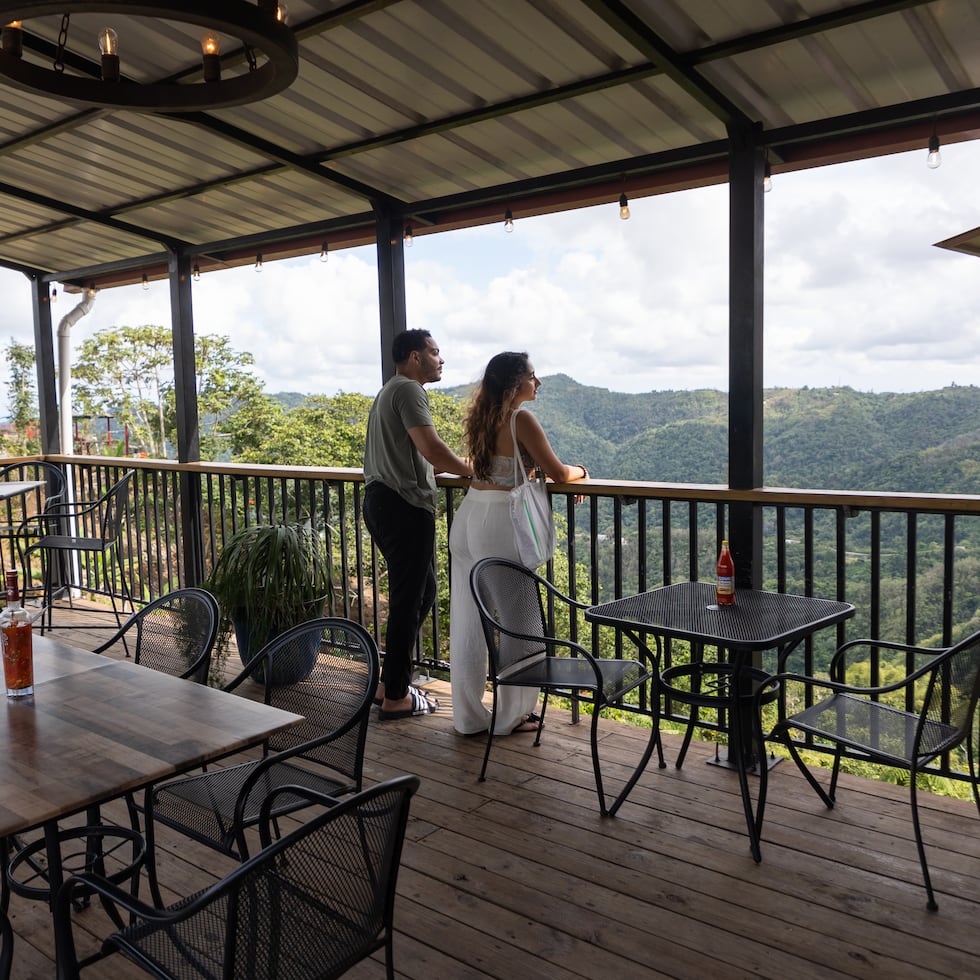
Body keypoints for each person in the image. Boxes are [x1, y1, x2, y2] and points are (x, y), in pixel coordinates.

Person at [449, 351, 589, 736]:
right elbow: (559, 472)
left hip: (468, 520)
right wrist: (583, 472)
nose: (537, 383)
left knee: (468, 619)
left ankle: (467, 716)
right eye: (532, 375)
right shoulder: (519, 418)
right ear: (514, 384)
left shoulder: (484, 416)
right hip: (499, 523)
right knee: (521, 623)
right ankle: (511, 716)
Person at [364, 329, 473, 720]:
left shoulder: (388, 390)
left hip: (382, 501)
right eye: (434, 352)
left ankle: (387, 682)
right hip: (404, 505)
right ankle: (395, 697)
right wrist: (472, 471)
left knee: (421, 595)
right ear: (414, 357)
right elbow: (432, 448)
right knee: (409, 601)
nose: (441, 359)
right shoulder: (410, 391)